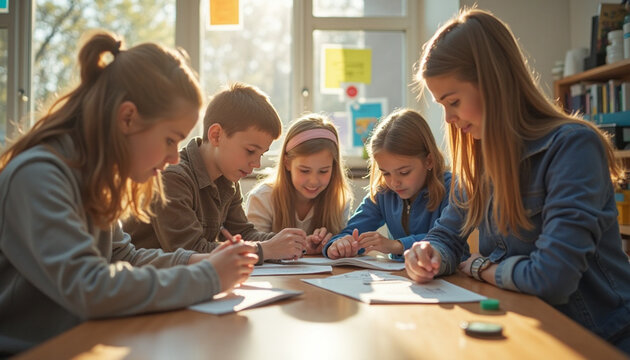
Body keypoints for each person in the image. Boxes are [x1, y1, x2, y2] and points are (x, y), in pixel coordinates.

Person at [0, 32, 259, 356]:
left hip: (88, 342)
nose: (175, 158)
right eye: (170, 140)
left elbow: (124, 258)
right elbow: (90, 287)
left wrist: (204, 260)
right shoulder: (39, 175)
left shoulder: (94, 178)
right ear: (128, 118)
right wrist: (208, 276)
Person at [406, 8, 630, 353]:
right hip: (527, 327)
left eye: (453, 102)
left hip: (599, 338)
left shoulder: (572, 146)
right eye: (442, 106)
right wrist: (427, 252)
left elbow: (551, 279)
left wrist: (481, 267)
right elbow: (447, 235)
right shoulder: (479, 159)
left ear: (493, 83)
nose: (449, 119)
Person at [122, 83, 308, 262]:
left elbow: (243, 233)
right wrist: (264, 250)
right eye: (251, 151)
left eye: (262, 154)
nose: (257, 163)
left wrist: (295, 243)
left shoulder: (227, 178)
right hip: (152, 284)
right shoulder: (172, 177)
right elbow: (190, 251)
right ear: (216, 135)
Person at [324, 108, 453, 260]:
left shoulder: (451, 188)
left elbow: (447, 239)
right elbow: (351, 232)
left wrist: (396, 245)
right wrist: (338, 245)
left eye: (404, 172)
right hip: (402, 277)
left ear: (428, 161)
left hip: (449, 277)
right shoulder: (384, 193)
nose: (394, 182)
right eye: (385, 173)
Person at [246, 113, 352, 254]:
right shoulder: (263, 198)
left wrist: (332, 244)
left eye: (323, 171)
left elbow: (344, 243)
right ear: (287, 163)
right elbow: (252, 247)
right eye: (304, 171)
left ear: (334, 167)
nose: (314, 181)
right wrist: (299, 246)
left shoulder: (339, 201)